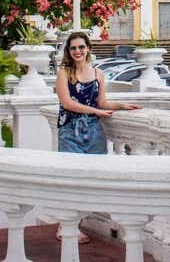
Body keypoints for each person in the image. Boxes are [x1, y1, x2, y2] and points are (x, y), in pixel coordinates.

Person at [55, 31, 141, 242]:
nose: (78, 51)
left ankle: (77, 222)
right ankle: (65, 226)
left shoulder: (98, 74)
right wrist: (94, 111)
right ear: (69, 51)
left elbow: (102, 102)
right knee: (72, 179)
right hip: (70, 130)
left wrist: (121, 106)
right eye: (73, 48)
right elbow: (67, 103)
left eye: (81, 47)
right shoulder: (64, 73)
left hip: (94, 131)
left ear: (88, 49)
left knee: (91, 177)